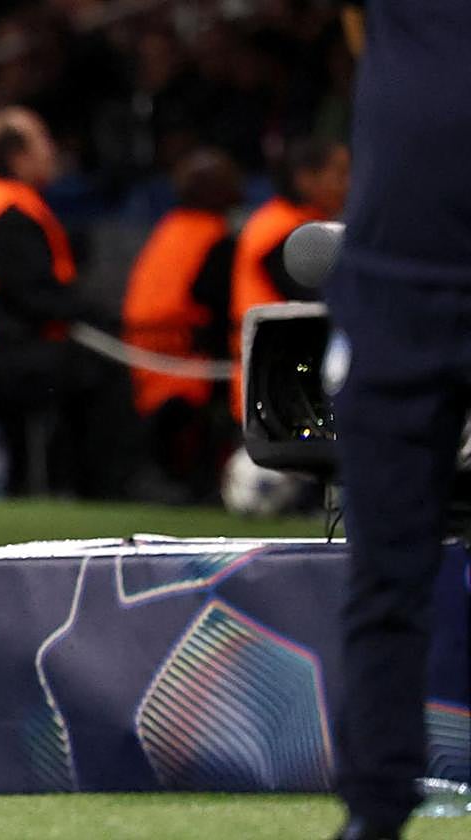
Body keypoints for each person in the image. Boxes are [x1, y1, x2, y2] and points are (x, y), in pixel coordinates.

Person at [327, 4, 471, 839]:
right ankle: (373, 814)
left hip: (397, 277)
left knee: (387, 583)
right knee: (386, 575)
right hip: (392, 291)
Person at [0, 106, 143, 499]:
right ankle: (100, 488)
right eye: (43, 143)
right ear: (17, 155)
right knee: (101, 369)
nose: (52, 153)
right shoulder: (3, 208)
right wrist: (104, 318)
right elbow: (36, 295)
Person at [121, 148, 243, 500]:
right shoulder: (215, 239)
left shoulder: (168, 230)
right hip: (189, 361)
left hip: (144, 356)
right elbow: (216, 303)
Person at [229, 136, 350, 421]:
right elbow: (321, 296)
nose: (350, 183)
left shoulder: (303, 225)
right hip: (276, 395)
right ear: (306, 178)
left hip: (291, 386)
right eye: (341, 174)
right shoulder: (280, 232)